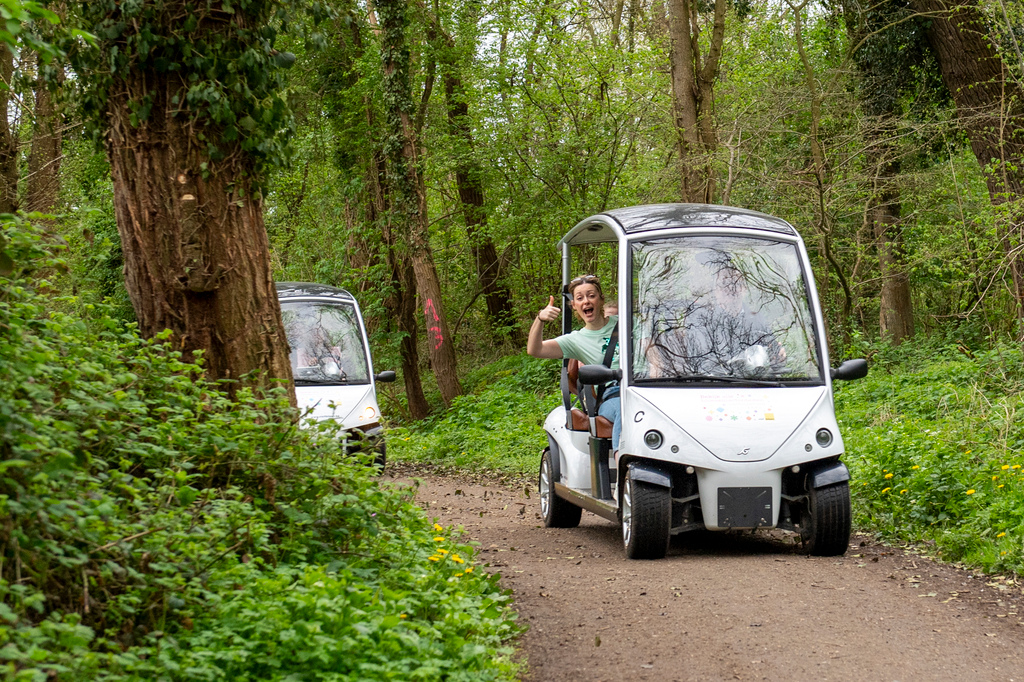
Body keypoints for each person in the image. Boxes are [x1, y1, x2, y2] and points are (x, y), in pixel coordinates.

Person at [527, 274, 621, 454]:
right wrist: (540, 319)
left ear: (601, 299)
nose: (586, 301)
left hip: (643, 388)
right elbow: (535, 350)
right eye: (580, 298)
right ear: (575, 306)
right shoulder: (576, 340)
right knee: (627, 412)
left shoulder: (625, 323)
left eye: (591, 295)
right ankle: (624, 475)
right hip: (613, 393)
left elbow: (652, 349)